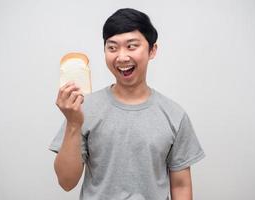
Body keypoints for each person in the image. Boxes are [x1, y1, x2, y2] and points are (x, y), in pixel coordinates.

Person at [49, 8, 205, 200]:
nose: (121, 57)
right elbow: (66, 182)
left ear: (152, 50)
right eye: (112, 47)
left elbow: (181, 186)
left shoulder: (174, 115)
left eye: (131, 46)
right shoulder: (83, 108)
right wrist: (73, 123)